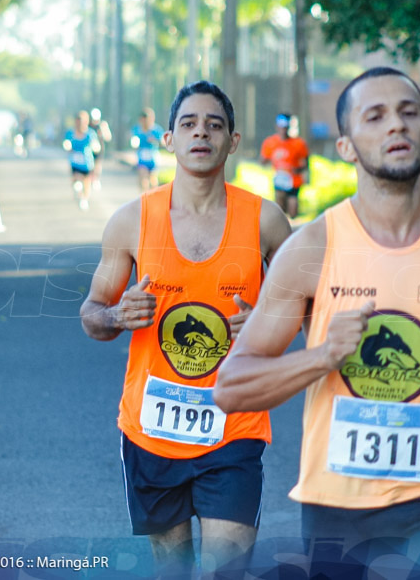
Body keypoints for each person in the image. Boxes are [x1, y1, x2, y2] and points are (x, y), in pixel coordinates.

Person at [214, 67, 420, 572]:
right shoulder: (311, 248)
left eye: (409, 114)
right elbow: (231, 388)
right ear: (345, 145)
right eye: (375, 116)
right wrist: (323, 356)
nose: (396, 127)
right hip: (337, 501)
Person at [79, 81, 292, 575]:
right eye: (189, 124)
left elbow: (309, 307)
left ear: (232, 141)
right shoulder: (131, 221)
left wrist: (268, 323)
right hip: (151, 430)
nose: (202, 133)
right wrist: (116, 315)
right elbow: (92, 313)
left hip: (234, 426)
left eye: (214, 125)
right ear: (169, 139)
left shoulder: (266, 222)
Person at [259, 113, 310, 218]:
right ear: (277, 127)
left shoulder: (298, 143)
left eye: (285, 127)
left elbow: (306, 163)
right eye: (281, 127)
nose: (283, 130)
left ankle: (292, 225)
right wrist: (270, 161)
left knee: (293, 208)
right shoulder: (270, 142)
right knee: (279, 205)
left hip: (293, 181)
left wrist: (299, 170)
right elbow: (263, 160)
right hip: (279, 178)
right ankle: (281, 228)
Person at [63, 111, 101, 211]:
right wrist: (67, 146)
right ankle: (79, 195)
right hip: (75, 163)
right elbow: (67, 144)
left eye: (82, 121)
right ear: (76, 121)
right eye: (78, 121)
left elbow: (95, 145)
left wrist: (95, 147)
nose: (80, 123)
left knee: (86, 183)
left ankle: (84, 198)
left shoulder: (90, 134)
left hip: (87, 163)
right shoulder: (70, 133)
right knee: (76, 180)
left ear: (86, 121)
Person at [131, 107, 166, 192]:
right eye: (144, 118)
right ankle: (144, 199)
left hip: (153, 156)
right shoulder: (137, 129)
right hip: (142, 157)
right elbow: (133, 141)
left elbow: (163, 142)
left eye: (148, 118)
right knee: (143, 179)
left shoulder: (156, 130)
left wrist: (155, 140)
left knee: (153, 180)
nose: (146, 121)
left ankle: (152, 199)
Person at [88, 107, 113, 191]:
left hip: (99, 147)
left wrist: (103, 131)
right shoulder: (88, 125)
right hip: (89, 148)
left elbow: (108, 137)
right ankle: (90, 179)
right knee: (90, 164)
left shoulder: (102, 125)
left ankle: (96, 179)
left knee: (97, 164)